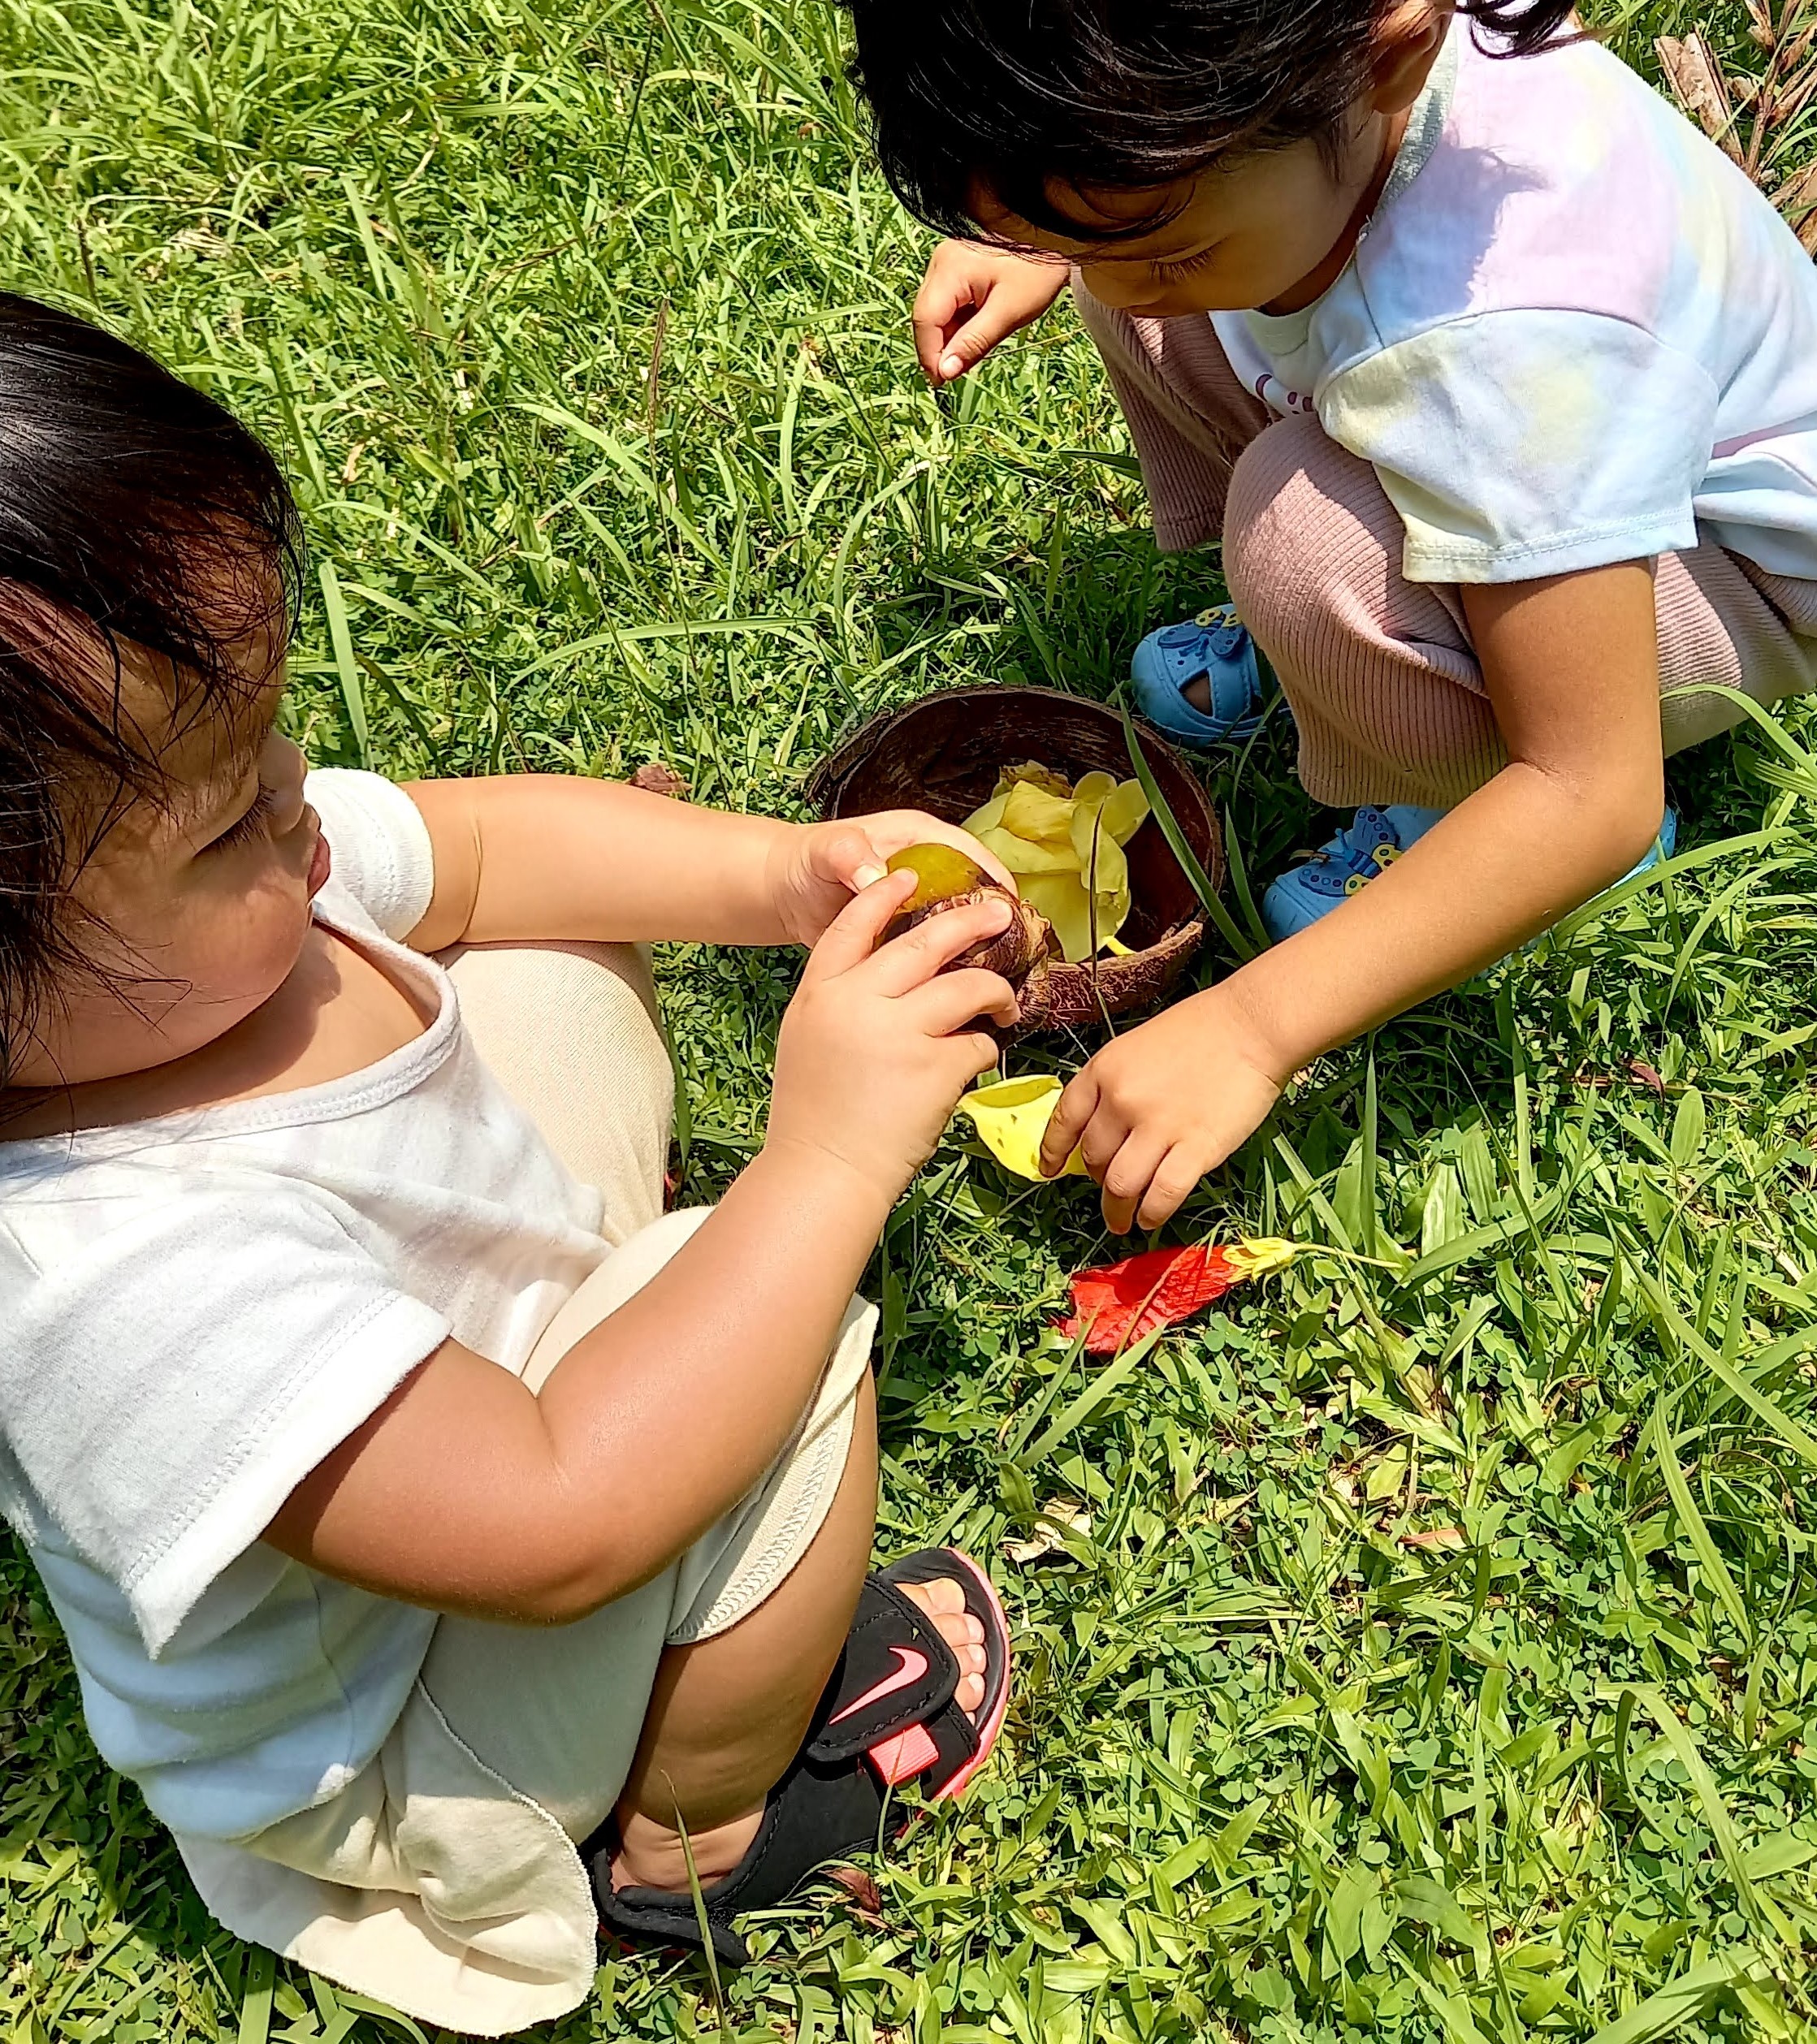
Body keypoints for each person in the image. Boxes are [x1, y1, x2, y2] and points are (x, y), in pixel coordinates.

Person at [0, 295, 1016, 2034]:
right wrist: (827, 1159)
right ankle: (698, 1827)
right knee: (773, 1352)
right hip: (404, 1734)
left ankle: (645, 1326)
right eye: (230, 813)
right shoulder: (108, 1287)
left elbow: (477, 845)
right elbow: (560, 1523)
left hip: (478, 1402)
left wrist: (782, 875)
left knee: (544, 949)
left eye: (270, 735)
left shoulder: (196, 929)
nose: (299, 791)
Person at [843, 0, 1817, 1233]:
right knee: (1157, 314)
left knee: (1304, 544)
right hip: (1541, 465)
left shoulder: (1514, 337)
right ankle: (1361, 652)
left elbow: (1591, 786)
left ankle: (1445, 795)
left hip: (1723, 572)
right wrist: (1063, 228)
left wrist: (1251, 1027)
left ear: (1384, 59)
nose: (1113, 273)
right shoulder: (1313, 78)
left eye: (1159, 239)